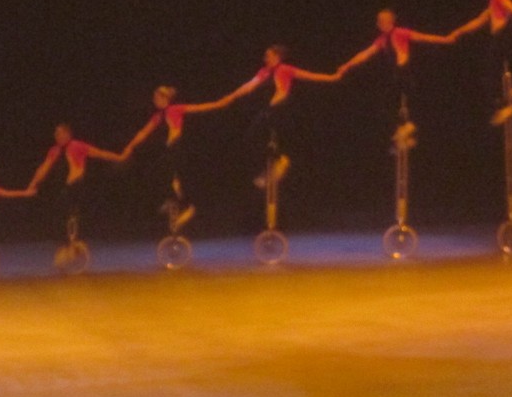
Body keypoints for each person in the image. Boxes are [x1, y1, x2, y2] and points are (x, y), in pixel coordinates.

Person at [221, 45, 342, 185]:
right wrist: (232, 96)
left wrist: (332, 77)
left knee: (259, 132)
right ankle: (274, 163)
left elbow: (310, 76)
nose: (265, 59)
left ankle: (279, 159)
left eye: (268, 56)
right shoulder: (264, 72)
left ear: (277, 57)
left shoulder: (285, 69)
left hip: (281, 107)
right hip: (271, 109)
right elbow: (249, 86)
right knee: (253, 137)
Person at [122, 85, 235, 232]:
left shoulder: (175, 109)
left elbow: (199, 108)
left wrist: (220, 103)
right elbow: (143, 133)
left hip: (176, 147)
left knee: (167, 175)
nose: (154, 101)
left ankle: (185, 205)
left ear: (165, 99)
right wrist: (130, 147)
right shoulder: (158, 116)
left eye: (156, 98)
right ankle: (174, 201)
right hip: (169, 149)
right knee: (165, 176)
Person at [337, 8, 455, 138]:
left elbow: (424, 37)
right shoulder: (381, 40)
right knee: (386, 103)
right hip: (397, 74)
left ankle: (408, 123)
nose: (378, 24)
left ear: (389, 21)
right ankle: (402, 125)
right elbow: (365, 54)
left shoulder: (400, 32)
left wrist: (445, 39)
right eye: (378, 21)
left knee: (395, 97)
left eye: (381, 21)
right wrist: (347, 65)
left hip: (404, 71)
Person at [27, 123, 126, 266]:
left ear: (68, 135)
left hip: (77, 185)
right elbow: (43, 168)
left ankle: (74, 245)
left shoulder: (77, 146)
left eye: (60, 133)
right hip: (65, 187)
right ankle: (69, 245)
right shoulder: (55, 151)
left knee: (71, 214)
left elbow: (100, 153)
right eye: (56, 134)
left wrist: (119, 157)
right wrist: (33, 183)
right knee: (60, 214)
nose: (57, 136)